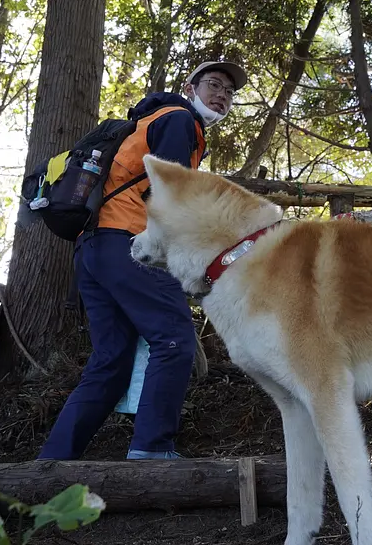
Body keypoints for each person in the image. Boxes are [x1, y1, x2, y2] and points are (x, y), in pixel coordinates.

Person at [38, 60, 246, 461]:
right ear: (190, 88)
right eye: (214, 85)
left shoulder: (152, 119)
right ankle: (151, 450)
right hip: (129, 243)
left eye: (229, 92)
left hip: (94, 249)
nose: (222, 95)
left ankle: (51, 463)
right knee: (173, 339)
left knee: (110, 362)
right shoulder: (178, 119)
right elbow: (173, 195)